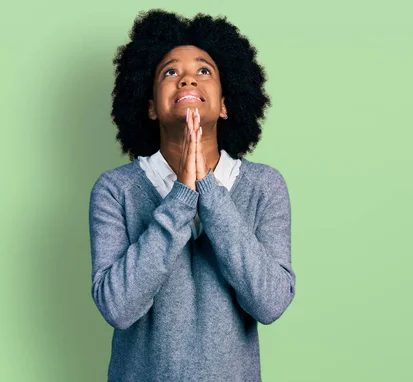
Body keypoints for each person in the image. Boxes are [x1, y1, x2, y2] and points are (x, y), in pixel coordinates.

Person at [89, 9, 296, 381]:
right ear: (151, 106)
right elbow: (117, 307)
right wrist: (181, 197)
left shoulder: (265, 186)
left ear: (226, 103)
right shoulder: (115, 190)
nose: (187, 78)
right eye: (169, 72)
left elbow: (271, 302)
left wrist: (210, 195)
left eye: (204, 71)